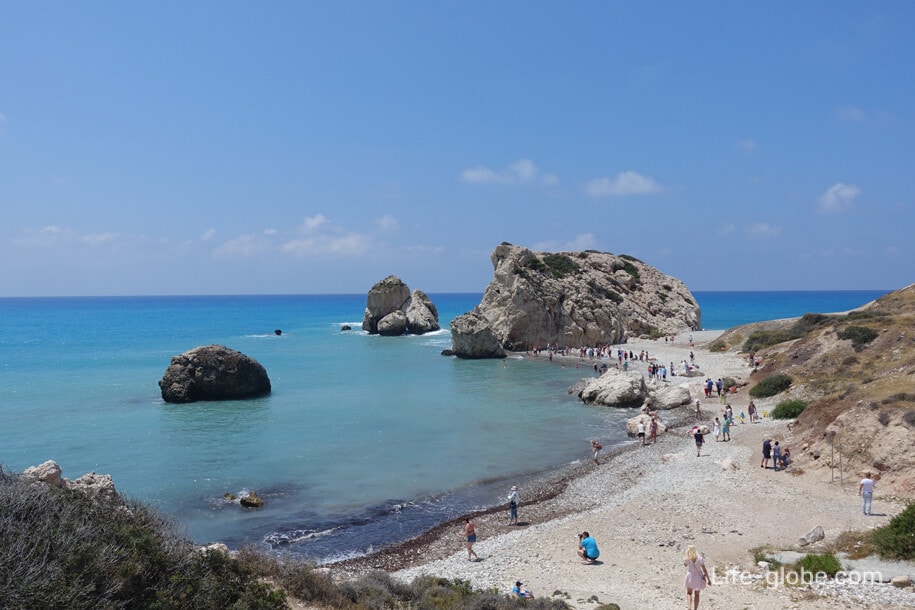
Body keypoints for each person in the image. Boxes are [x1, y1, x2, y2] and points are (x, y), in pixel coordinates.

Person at [683, 544, 711, 610]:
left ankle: (689, 607)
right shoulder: (700, 558)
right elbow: (704, 569)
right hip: (698, 576)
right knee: (697, 594)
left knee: (689, 593)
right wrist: (708, 579)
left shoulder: (687, 558)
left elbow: (685, 565)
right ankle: (695, 609)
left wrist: (687, 556)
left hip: (690, 576)